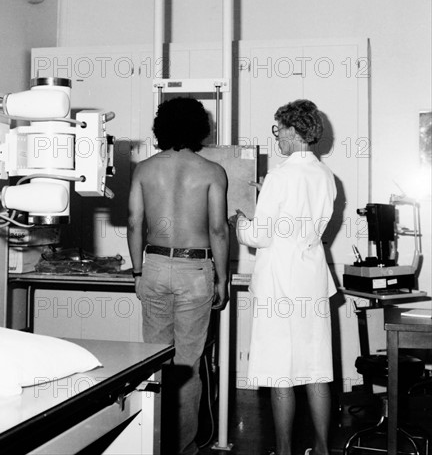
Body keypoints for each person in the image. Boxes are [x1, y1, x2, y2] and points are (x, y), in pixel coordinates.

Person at [231, 99, 336, 455]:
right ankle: (322, 449)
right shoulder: (325, 176)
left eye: (279, 129)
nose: (277, 137)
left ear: (292, 131)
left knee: (280, 371)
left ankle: (285, 450)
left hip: (280, 283)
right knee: (315, 368)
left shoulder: (279, 175)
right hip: (312, 278)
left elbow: (260, 236)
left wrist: (240, 224)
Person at [127, 97, 229, 455]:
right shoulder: (212, 172)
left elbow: (135, 222)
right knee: (188, 365)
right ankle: (183, 448)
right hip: (195, 269)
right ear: (200, 128)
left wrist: (137, 272)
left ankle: (150, 443)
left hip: (154, 265)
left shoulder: (144, 169)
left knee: (153, 362)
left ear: (161, 127)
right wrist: (223, 278)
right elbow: (218, 230)